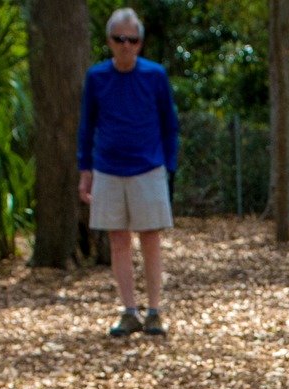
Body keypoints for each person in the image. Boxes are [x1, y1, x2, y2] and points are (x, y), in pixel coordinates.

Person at [77, 8, 179, 338]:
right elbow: (87, 125)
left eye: (132, 40)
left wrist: (170, 166)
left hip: (148, 167)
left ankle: (154, 311)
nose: (126, 45)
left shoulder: (155, 76)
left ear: (140, 43)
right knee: (118, 239)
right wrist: (85, 169)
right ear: (109, 41)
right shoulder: (96, 78)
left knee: (150, 238)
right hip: (107, 167)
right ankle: (128, 310)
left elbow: (169, 123)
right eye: (120, 39)